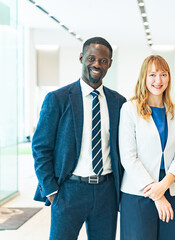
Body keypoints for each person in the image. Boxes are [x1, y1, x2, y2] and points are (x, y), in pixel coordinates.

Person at [32, 37, 126, 240]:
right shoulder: (58, 99)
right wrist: (51, 191)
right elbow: (41, 148)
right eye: (91, 58)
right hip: (68, 191)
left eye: (103, 60)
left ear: (110, 63)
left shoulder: (118, 102)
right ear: (82, 58)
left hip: (106, 192)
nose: (97, 64)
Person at [119, 55, 175, 240]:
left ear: (169, 78)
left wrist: (165, 185)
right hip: (138, 195)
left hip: (171, 192)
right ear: (144, 78)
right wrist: (156, 194)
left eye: (163, 74)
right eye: (152, 75)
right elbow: (128, 156)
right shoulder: (129, 109)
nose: (158, 80)